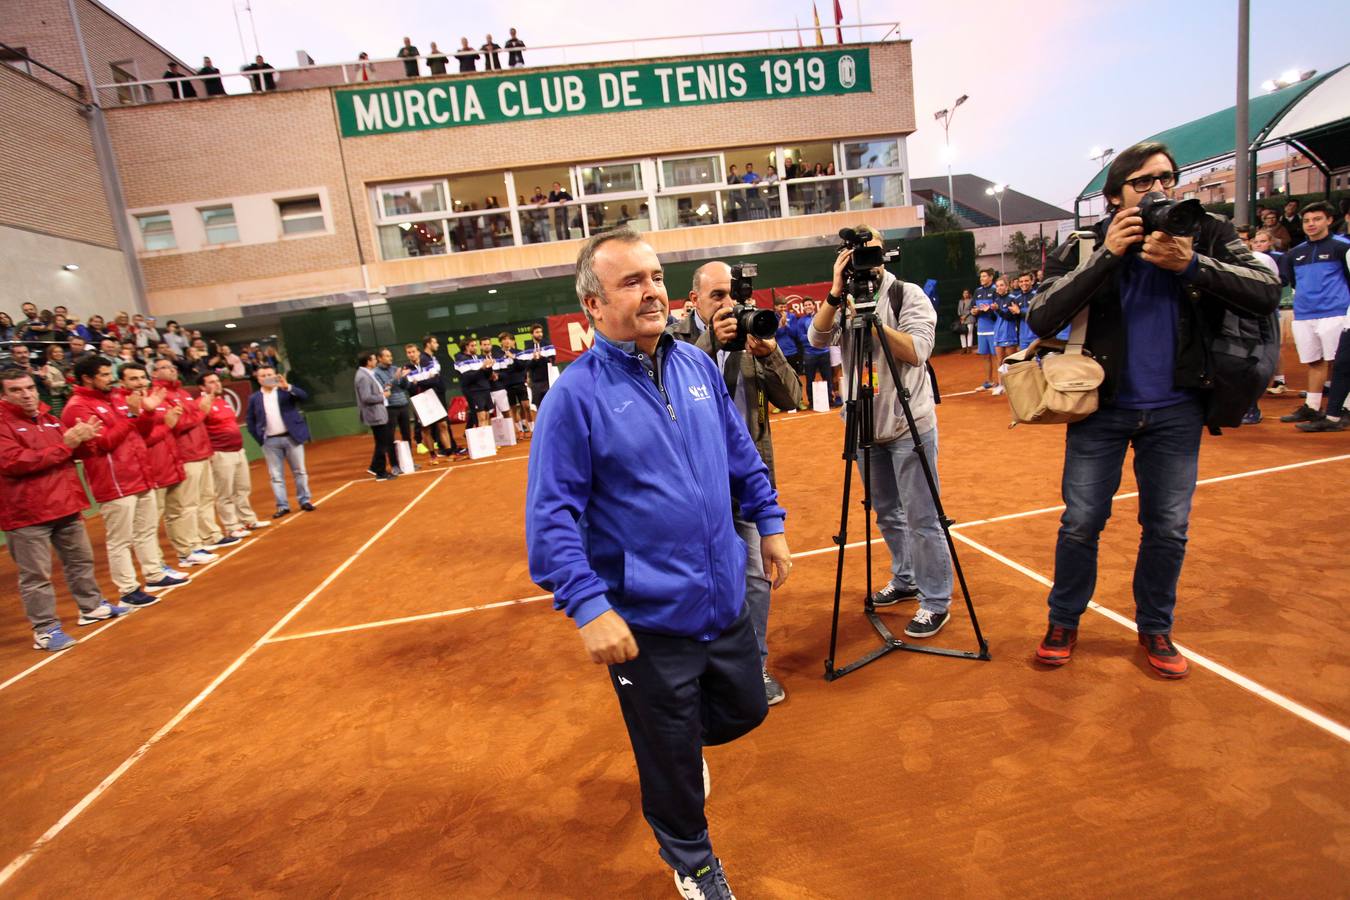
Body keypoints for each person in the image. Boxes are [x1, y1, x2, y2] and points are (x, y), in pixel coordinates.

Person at [526, 228, 791, 898]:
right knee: (670, 762)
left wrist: (770, 524)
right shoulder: (573, 398)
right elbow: (549, 521)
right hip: (645, 621)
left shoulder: (696, 365)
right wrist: (589, 608)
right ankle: (694, 863)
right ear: (593, 305)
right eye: (631, 282)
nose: (651, 292)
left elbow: (741, 454)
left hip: (722, 597)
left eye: (654, 276)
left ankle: (671, 737)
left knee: (748, 708)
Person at [1025, 141, 1279, 678]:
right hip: (1102, 408)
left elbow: (1265, 290)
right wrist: (1106, 256)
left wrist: (1193, 266)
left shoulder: (1205, 232)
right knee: (1081, 522)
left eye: (1166, 179)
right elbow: (1042, 317)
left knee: (1167, 526)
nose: (1159, 190)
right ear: (1114, 194)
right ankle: (1064, 620)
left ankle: (1155, 627)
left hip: (1178, 408)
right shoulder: (1085, 241)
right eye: (1143, 182)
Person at [670, 260, 802, 704]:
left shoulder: (753, 337)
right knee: (700, 581)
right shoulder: (673, 341)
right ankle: (704, 670)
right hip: (696, 486)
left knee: (755, 581)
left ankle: (753, 666)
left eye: (735, 296)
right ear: (694, 301)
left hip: (749, 481)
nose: (730, 306)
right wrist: (709, 343)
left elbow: (793, 397)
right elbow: (666, 394)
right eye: (718, 297)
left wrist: (769, 353)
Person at [810, 228, 952, 639]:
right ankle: (905, 578)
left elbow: (917, 351)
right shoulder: (845, 298)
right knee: (887, 511)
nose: (863, 259)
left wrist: (872, 324)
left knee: (923, 517)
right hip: (864, 425)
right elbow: (817, 338)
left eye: (869, 250)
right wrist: (836, 294)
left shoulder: (905, 295)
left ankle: (935, 600)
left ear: (884, 254)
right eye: (855, 252)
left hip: (909, 423)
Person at [1, 367, 133, 652]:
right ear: (3, 394)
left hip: (66, 504)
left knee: (81, 561)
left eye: (30, 388)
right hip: (26, 513)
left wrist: (85, 441)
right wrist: (68, 443)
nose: (26, 395)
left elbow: (74, 451)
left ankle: (91, 606)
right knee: (36, 576)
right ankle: (45, 630)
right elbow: (14, 463)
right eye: (16, 390)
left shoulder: (49, 419)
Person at [63, 357, 184, 606]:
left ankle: (154, 574)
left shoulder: (116, 398)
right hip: (114, 482)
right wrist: (131, 414)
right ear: (87, 378)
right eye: (105, 375)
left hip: (139, 474)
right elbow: (104, 443)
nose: (111, 379)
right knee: (120, 539)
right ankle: (128, 589)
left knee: (146, 530)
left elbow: (141, 432)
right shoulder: (77, 407)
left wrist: (147, 411)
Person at [117, 363, 200, 574]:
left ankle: (186, 552)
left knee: (178, 511)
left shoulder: (155, 398)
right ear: (122, 383)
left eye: (141, 377)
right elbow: (141, 439)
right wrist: (167, 425)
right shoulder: (124, 404)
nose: (139, 382)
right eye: (133, 379)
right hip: (152, 469)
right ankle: (157, 566)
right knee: (148, 525)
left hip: (170, 463)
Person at [151, 359, 233, 565]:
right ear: (154, 372)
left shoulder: (183, 393)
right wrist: (201, 412)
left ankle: (205, 538)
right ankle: (189, 547)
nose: (171, 370)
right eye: (165, 368)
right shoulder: (159, 396)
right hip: (185, 454)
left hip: (201, 451)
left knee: (204, 498)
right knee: (185, 505)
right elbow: (177, 425)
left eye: (173, 367)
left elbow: (193, 421)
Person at [1279, 201, 1350, 432]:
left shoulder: (1343, 247)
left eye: (1317, 219)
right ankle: (1312, 406)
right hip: (1305, 314)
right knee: (1314, 361)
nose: (1311, 224)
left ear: (1329, 220)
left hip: (1336, 313)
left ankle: (1343, 411)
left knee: (1341, 364)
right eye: (1307, 220)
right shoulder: (1295, 253)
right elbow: (1293, 282)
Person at [200, 372, 266, 535]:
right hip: (220, 453)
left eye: (217, 381)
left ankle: (248, 520)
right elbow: (200, 429)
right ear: (202, 387)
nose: (217, 384)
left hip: (237, 450)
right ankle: (231, 526)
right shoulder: (201, 404)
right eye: (211, 382)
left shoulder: (223, 401)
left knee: (242, 488)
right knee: (225, 493)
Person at [245, 365, 313, 516]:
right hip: (270, 442)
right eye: (263, 375)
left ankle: (304, 500)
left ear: (276, 376)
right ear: (258, 379)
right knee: (276, 476)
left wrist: (287, 386)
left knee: (300, 471)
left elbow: (304, 397)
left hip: (291, 437)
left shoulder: (284, 392)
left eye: (269, 374)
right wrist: (260, 439)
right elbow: (250, 420)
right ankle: (282, 506)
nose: (266, 377)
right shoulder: (254, 398)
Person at [405, 336, 462, 460]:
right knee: (426, 428)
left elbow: (435, 380)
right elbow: (409, 386)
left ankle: (449, 452)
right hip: (419, 400)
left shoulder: (428, 363)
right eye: (409, 353)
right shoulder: (406, 368)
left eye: (413, 352)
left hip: (432, 396)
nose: (411, 355)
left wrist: (418, 381)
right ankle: (433, 456)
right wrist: (425, 379)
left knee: (442, 425)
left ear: (418, 352)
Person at [355, 351, 396, 480]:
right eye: (373, 359)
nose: (376, 361)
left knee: (381, 442)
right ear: (368, 361)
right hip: (374, 413)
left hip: (377, 412)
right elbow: (366, 397)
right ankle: (380, 473)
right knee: (382, 444)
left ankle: (374, 467)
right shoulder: (362, 376)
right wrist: (383, 396)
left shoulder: (367, 374)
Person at [375, 348, 413, 454]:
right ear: (379, 358)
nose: (390, 358)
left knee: (407, 434)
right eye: (387, 356)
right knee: (389, 436)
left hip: (403, 404)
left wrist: (405, 378)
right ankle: (395, 464)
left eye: (390, 355)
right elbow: (384, 389)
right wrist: (395, 378)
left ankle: (409, 461)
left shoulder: (395, 368)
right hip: (390, 408)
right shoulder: (375, 373)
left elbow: (405, 386)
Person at [454, 337, 494, 427]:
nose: (475, 347)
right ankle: (482, 440)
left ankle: (488, 439)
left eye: (476, 345)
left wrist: (489, 367)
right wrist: (482, 368)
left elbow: (487, 375)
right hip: (474, 391)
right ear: (466, 347)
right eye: (472, 346)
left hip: (485, 388)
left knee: (487, 416)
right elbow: (468, 377)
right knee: (481, 417)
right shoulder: (461, 360)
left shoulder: (479, 357)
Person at [496, 332, 531, 435]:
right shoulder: (498, 356)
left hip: (520, 382)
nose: (507, 341)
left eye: (509, 339)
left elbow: (522, 366)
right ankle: (520, 429)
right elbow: (500, 371)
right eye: (504, 339)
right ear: (501, 342)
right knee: (513, 408)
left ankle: (526, 424)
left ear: (513, 341)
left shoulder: (518, 352)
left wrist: (513, 357)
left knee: (526, 406)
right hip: (507, 384)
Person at [971, 268, 1000, 388]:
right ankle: (989, 381)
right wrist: (974, 311)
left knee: (997, 356)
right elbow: (973, 307)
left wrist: (988, 310)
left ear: (991, 277)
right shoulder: (977, 291)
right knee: (985, 356)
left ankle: (1000, 382)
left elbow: (997, 311)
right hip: (981, 329)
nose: (981, 279)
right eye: (981, 276)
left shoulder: (995, 290)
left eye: (984, 276)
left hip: (994, 328)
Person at [519, 324, 555, 418]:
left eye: (541, 332)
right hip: (535, 382)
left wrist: (542, 358)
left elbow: (552, 361)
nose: (540, 334)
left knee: (550, 404)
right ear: (532, 334)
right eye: (537, 332)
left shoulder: (547, 344)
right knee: (539, 407)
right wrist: (534, 360)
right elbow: (526, 365)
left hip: (548, 380)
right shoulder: (528, 347)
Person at [956, 288, 975, 353]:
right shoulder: (960, 301)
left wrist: (966, 315)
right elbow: (959, 310)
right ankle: (964, 348)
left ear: (969, 294)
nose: (965, 294)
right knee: (962, 332)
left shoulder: (972, 300)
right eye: (964, 293)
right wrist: (961, 317)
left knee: (969, 332)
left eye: (967, 293)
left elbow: (972, 309)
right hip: (962, 319)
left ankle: (969, 348)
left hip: (970, 318)